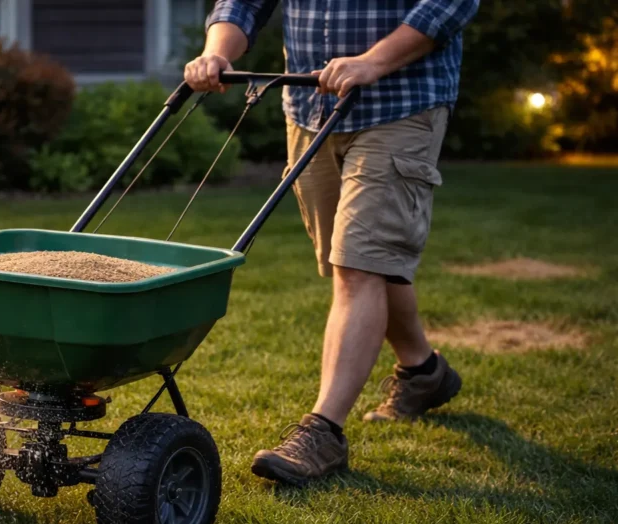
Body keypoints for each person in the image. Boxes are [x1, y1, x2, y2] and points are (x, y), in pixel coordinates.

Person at [185, 0, 478, 487]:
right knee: (355, 260)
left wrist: (373, 61)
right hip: (310, 109)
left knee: (358, 266)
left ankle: (323, 433)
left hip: (399, 104)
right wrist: (217, 52)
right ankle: (423, 371)